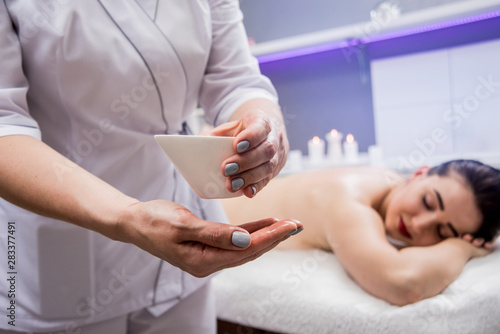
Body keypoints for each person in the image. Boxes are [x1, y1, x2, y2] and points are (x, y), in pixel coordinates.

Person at [0, 1, 303, 333]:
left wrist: (266, 132)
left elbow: (236, 81)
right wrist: (129, 217)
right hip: (68, 249)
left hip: (183, 254)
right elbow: (5, 128)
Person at [222, 159, 500, 306]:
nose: (419, 225)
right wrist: (463, 248)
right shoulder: (349, 196)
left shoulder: (386, 184)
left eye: (442, 232)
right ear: (420, 172)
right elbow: (403, 283)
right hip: (207, 216)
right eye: (428, 202)